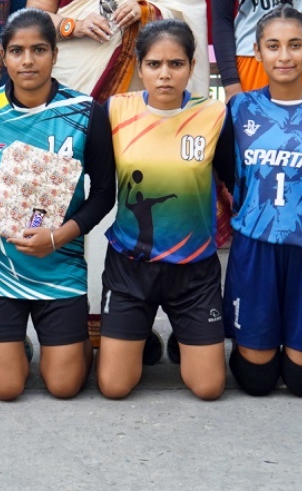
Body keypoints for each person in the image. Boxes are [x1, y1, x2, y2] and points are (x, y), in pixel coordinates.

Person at [27, 0, 209, 323]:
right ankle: (69, 311)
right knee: (69, 190)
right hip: (72, 86)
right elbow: (35, 19)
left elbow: (190, 6)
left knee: (130, 193)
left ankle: (125, 315)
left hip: (135, 92)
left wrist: (149, 11)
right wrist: (73, 24)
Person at [0, 8, 116, 400]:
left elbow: (105, 193)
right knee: (6, 388)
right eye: (17, 51)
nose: (28, 60)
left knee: (64, 386)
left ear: (54, 54)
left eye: (39, 49)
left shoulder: (85, 111)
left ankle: (69, 342)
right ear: (4, 56)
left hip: (59, 265)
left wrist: (59, 236)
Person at [96, 20, 232, 401]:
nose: (165, 74)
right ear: (140, 67)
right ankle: (140, 337)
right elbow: (97, 180)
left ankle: (184, 339)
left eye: (176, 64)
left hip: (194, 271)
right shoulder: (115, 110)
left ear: (192, 66)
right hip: (130, 267)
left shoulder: (215, 115)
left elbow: (234, 181)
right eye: (154, 64)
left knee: (208, 388)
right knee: (114, 387)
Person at [224, 7, 302, 397]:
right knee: (257, 381)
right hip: (254, 247)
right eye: (273, 45)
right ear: (257, 51)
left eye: (295, 45)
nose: (284, 56)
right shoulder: (239, 109)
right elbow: (227, 171)